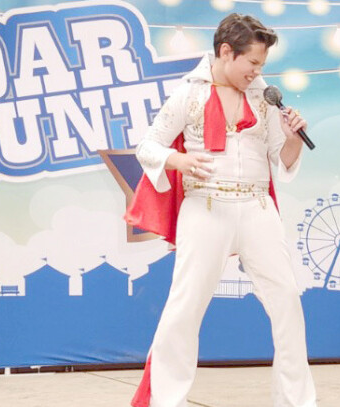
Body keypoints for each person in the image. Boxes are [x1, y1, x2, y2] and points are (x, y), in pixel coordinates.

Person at [128, 13, 318, 407]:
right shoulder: (188, 94)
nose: (257, 72)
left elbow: (279, 162)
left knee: (287, 304)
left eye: (262, 65)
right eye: (252, 63)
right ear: (226, 52)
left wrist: (292, 139)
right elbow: (147, 147)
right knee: (184, 309)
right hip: (205, 207)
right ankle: (166, 400)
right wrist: (178, 162)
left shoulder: (264, 99)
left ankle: (297, 401)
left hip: (256, 207)